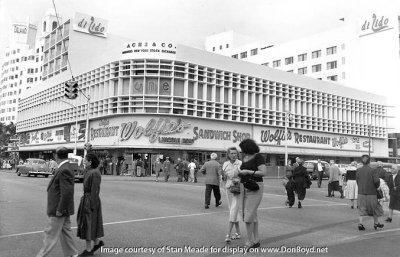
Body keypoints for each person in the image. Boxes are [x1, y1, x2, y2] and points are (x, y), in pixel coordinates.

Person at [36, 147, 78, 257]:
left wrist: (60, 209)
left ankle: (41, 255)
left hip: (58, 209)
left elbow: (66, 192)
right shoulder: (65, 167)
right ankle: (73, 254)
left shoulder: (64, 169)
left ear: (56, 155)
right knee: (66, 233)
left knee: (50, 235)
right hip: (62, 208)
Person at [238, 139, 267, 249]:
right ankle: (256, 240)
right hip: (244, 186)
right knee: (252, 214)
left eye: (243, 149)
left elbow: (263, 172)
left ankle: (249, 241)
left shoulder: (257, 157)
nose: (242, 151)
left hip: (254, 186)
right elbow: (243, 171)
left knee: (248, 215)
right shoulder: (244, 157)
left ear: (248, 148)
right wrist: (239, 174)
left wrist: (248, 172)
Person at [76, 153, 104, 256]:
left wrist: (92, 205)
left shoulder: (95, 173)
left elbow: (95, 190)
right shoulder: (89, 171)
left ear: (90, 162)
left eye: (85, 160)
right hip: (87, 200)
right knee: (90, 224)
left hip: (91, 201)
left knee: (88, 225)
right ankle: (97, 243)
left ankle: (88, 250)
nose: (83, 161)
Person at [356, 154, 384, 231]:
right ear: (369, 161)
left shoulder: (358, 170)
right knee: (374, 208)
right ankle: (376, 223)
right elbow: (376, 181)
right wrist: (377, 186)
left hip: (361, 192)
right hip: (371, 193)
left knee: (361, 208)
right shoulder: (373, 170)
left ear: (362, 162)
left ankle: (360, 224)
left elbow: (357, 181)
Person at [222, 147, 242, 243]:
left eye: (235, 153)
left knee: (233, 210)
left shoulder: (241, 163)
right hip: (229, 188)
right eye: (232, 153)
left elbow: (236, 175)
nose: (234, 155)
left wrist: (234, 172)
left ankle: (228, 234)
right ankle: (238, 233)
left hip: (238, 189)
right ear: (228, 154)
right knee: (232, 210)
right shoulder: (225, 164)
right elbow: (225, 176)